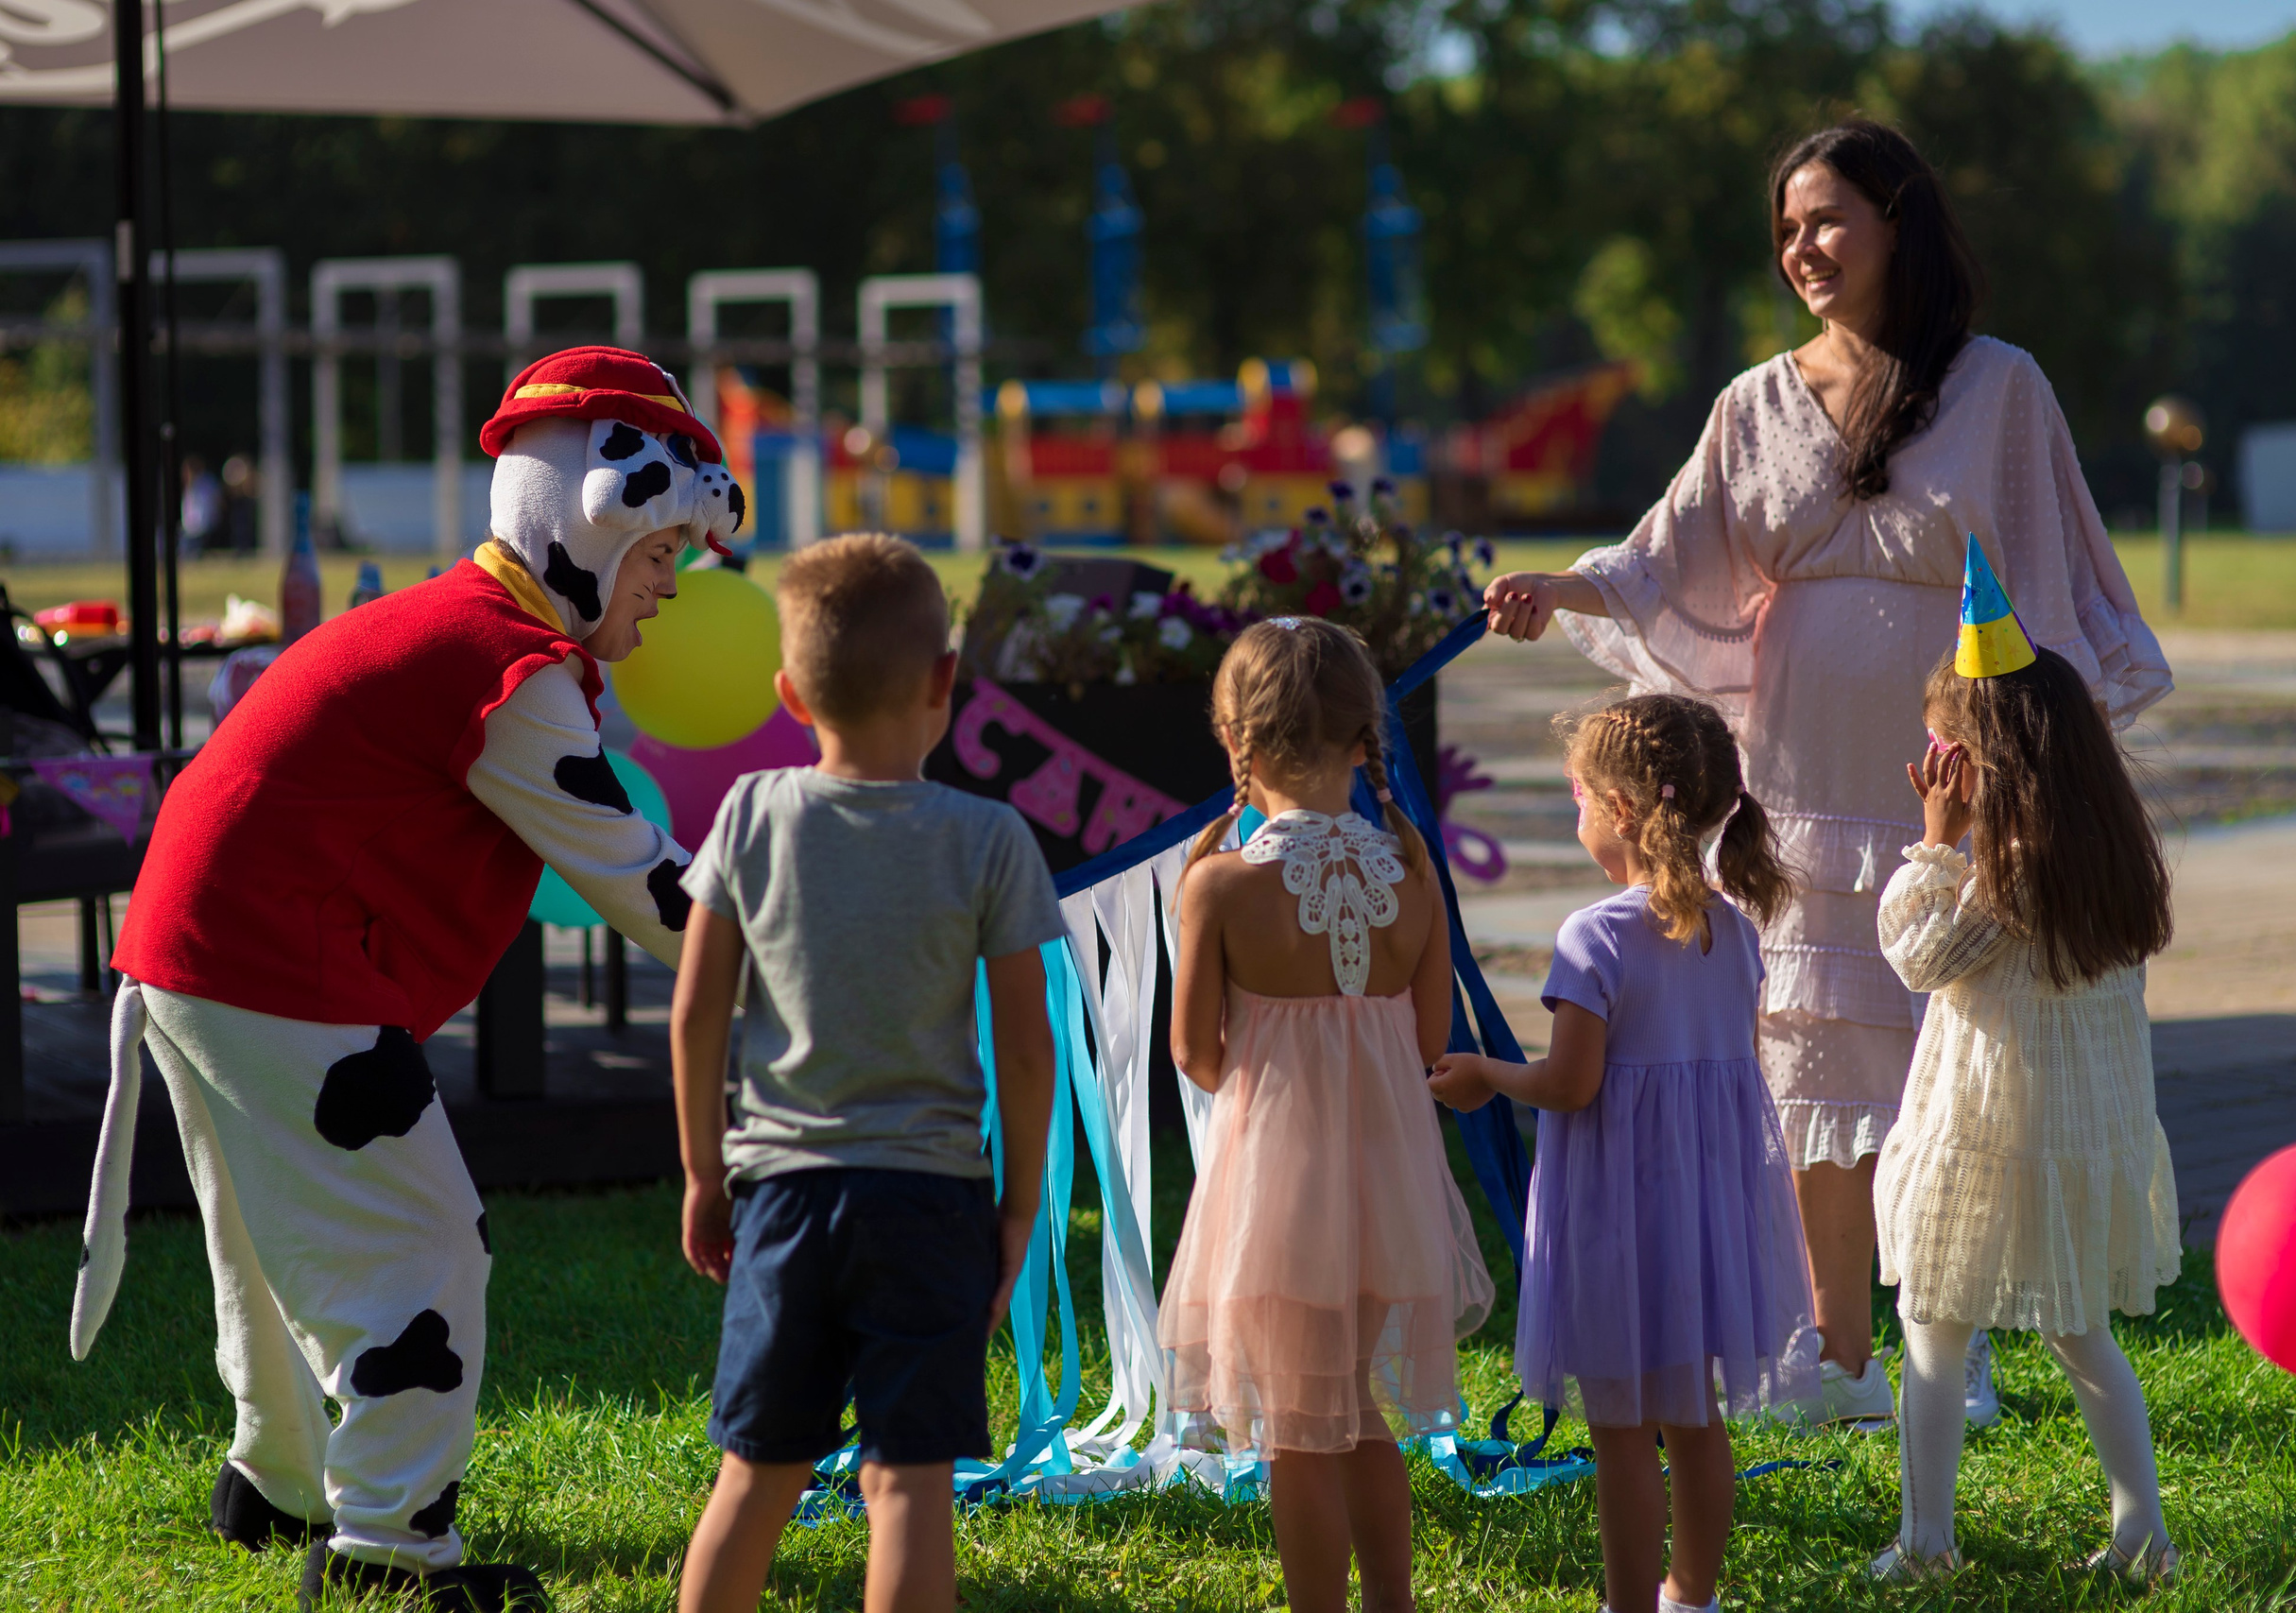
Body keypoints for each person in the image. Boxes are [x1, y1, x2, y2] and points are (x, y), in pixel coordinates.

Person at [1480, 119, 2170, 1427]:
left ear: (1897, 220)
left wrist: (2032, 769)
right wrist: (1560, 586)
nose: (1802, 247)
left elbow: (2042, 579)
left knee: (1948, 1065)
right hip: (1794, 775)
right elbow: (1666, 554)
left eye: (1827, 219)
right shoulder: (1753, 401)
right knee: (1810, 1072)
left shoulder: (2002, 386)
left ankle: (1947, 1344)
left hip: (1947, 774)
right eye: (1786, 228)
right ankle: (1837, 1355)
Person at [76, 346, 745, 1610]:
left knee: (271, 1244)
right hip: (275, 961)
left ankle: (277, 1480)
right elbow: (652, 889)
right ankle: (388, 1547)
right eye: (660, 554)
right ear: (584, 531)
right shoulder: (506, 669)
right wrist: (830, 952)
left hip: (198, 947)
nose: (670, 588)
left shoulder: (468, 631)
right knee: (420, 1246)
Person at [670, 535, 1062, 1613]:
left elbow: (696, 1012)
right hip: (932, 1201)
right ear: (945, 681)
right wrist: (1018, 1206)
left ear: (790, 695)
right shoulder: (989, 837)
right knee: (908, 1485)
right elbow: (1027, 1045)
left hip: (784, 1195)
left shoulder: (750, 813)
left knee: (756, 1472)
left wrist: (703, 1172)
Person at [1430, 693, 1816, 1613]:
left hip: (1614, 1215)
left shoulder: (1594, 936)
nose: (1577, 812)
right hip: (1704, 1215)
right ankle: (1692, 1597)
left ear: (1622, 809)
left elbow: (1571, 1084)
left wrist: (1486, 1072)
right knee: (1695, 1417)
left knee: (1619, 1432)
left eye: (1578, 795)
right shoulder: (1734, 931)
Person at [1159, 617, 1494, 1613]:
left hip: (1278, 1192)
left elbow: (1195, 1054)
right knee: (1356, 1405)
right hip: (1387, 1186)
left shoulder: (1220, 883)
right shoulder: (1414, 872)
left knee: (1296, 1429)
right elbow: (1428, 1035)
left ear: (1237, 744)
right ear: (1363, 740)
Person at [1868, 541, 2180, 1582]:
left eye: (1944, 745)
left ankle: (1925, 1546)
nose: (1934, 764)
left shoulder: (2003, 864)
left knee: (1930, 1326)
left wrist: (1932, 841)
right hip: (2071, 1132)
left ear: (1985, 756)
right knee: (2078, 1331)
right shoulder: (2096, 848)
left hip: (1987, 1129)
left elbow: (1919, 958)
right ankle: (2142, 1534)